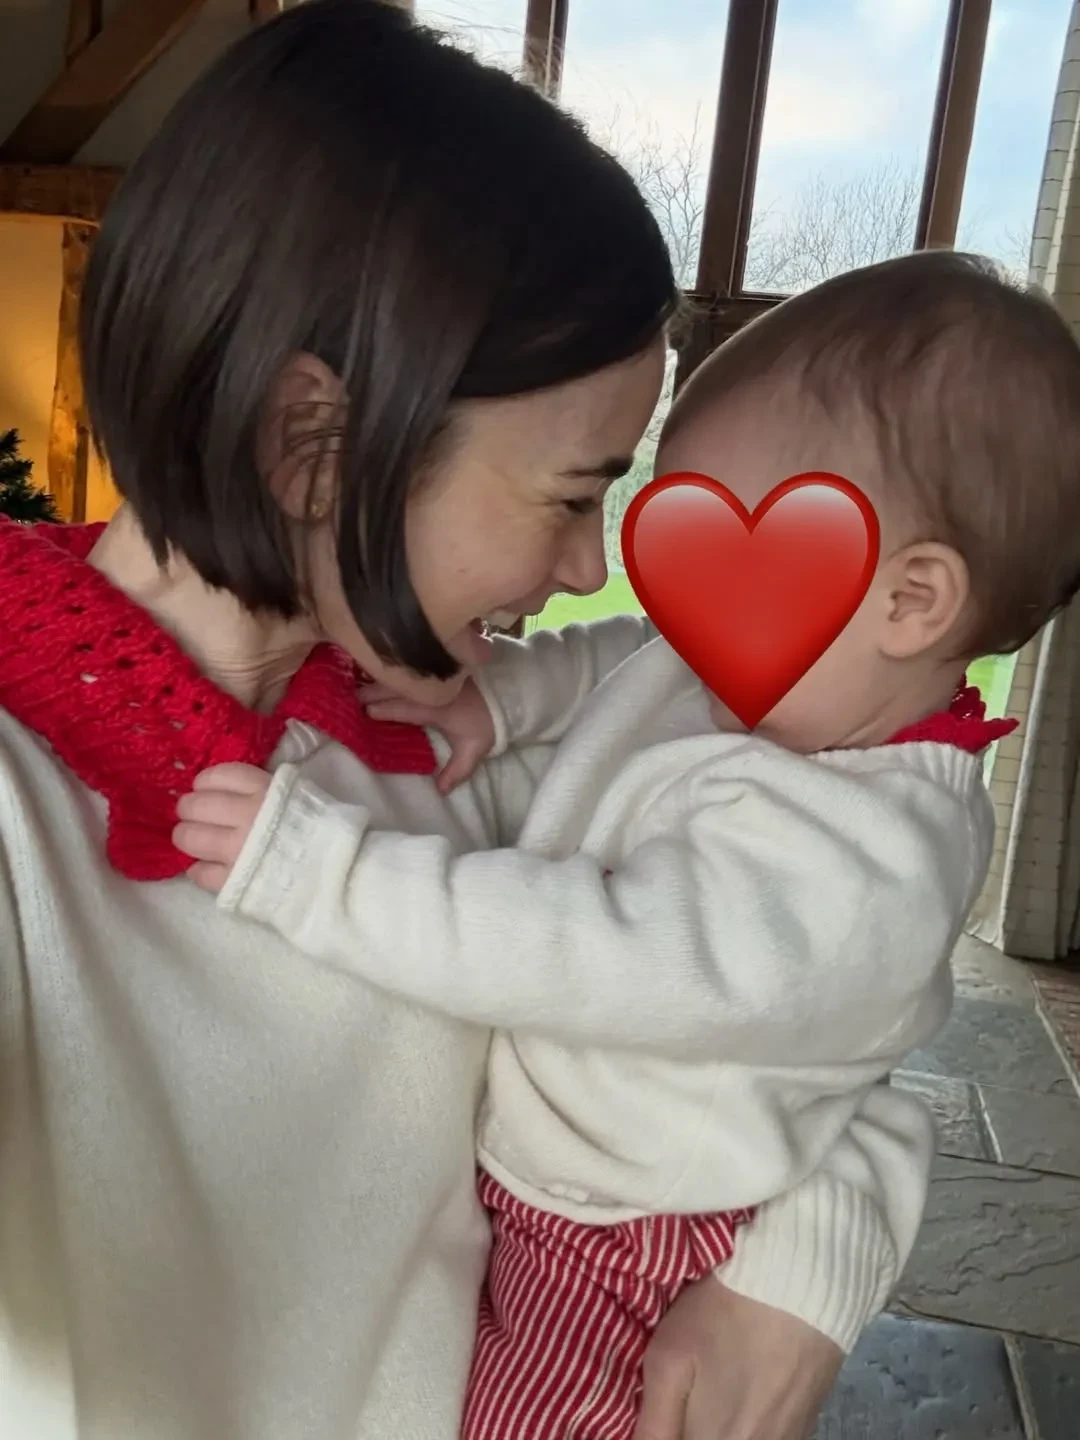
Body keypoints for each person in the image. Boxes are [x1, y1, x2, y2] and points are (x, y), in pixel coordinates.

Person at [0, 3, 906, 1438]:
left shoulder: (466, 751)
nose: (592, 571)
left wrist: (804, 1262)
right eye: (571, 494)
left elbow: (829, 963)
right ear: (317, 444)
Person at [173, 250, 1080, 1438]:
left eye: (730, 559)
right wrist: (497, 701)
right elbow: (623, 657)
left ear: (911, 601)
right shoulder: (774, 671)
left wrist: (322, 875)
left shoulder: (864, 854)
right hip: (562, 1185)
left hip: (623, 1247)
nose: (661, 601)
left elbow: (589, 949)